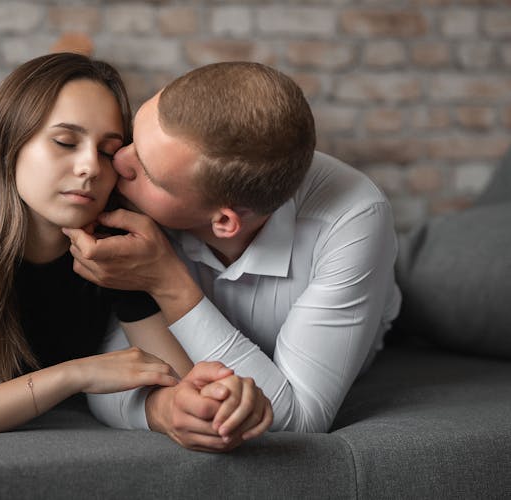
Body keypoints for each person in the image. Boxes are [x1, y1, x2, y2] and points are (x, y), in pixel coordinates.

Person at [0, 53, 273, 444]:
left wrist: (214, 400)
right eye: (65, 142)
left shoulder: (111, 244)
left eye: (106, 151)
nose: (90, 168)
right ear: (9, 144)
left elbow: (176, 377)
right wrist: (75, 375)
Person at [64, 62, 402, 452]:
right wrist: (163, 409)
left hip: (366, 308)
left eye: (149, 174)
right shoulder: (128, 196)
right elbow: (108, 368)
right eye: (134, 137)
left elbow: (300, 420)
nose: (118, 160)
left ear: (224, 221)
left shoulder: (353, 216)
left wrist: (166, 281)